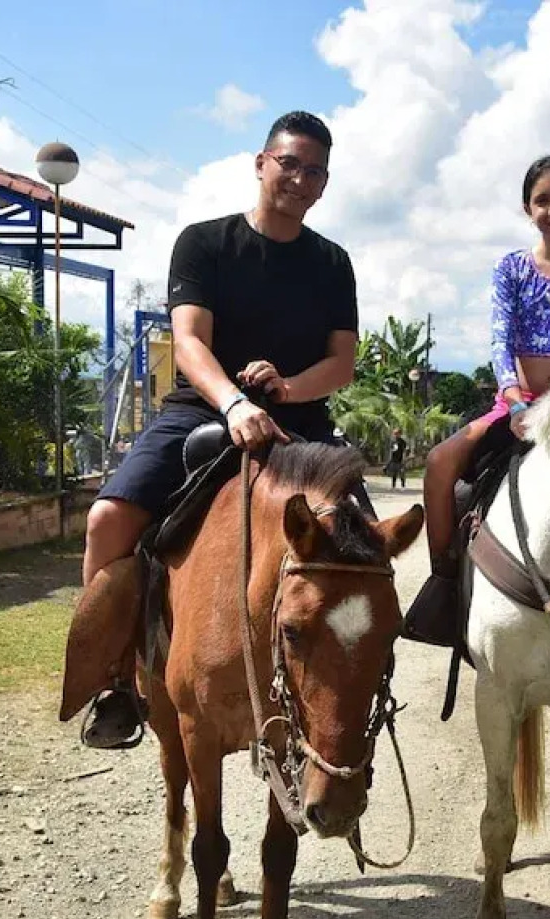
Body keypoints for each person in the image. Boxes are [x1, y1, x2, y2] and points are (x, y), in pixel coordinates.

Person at [76, 110, 359, 749]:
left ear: (324, 184)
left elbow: (341, 362)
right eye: (289, 163)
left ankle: (362, 674)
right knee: (106, 520)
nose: (299, 178)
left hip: (300, 427)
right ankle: (115, 678)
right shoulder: (204, 243)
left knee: (365, 543)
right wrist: (235, 404)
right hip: (202, 411)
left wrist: (286, 388)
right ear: (261, 164)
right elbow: (188, 342)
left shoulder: (332, 264)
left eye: (313, 171)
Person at [402, 155, 550, 647]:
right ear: (528, 209)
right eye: (542, 199)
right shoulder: (512, 268)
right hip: (517, 407)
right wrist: (515, 399)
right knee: (438, 464)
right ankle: (446, 581)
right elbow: (500, 340)